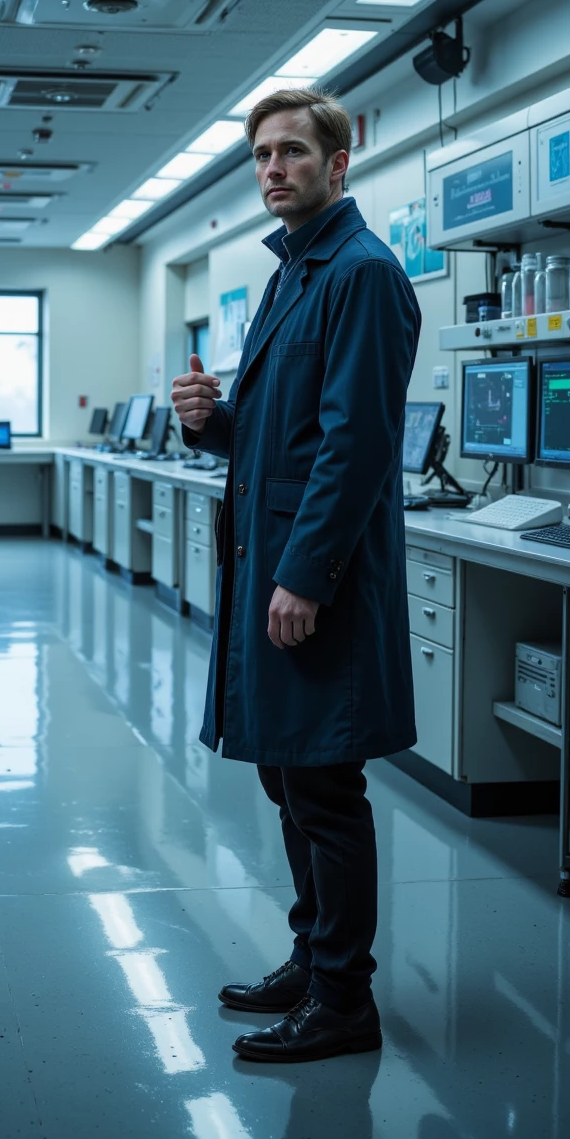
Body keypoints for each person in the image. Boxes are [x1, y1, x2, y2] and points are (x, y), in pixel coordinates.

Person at [171, 86, 420, 1064]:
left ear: (338, 161)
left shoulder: (358, 274)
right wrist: (210, 422)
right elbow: (282, 438)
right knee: (285, 772)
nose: (272, 169)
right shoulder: (293, 274)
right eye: (261, 157)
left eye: (291, 153)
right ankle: (312, 959)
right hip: (270, 566)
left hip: (309, 578)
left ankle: (343, 1001)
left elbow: (357, 446)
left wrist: (307, 574)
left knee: (322, 783)